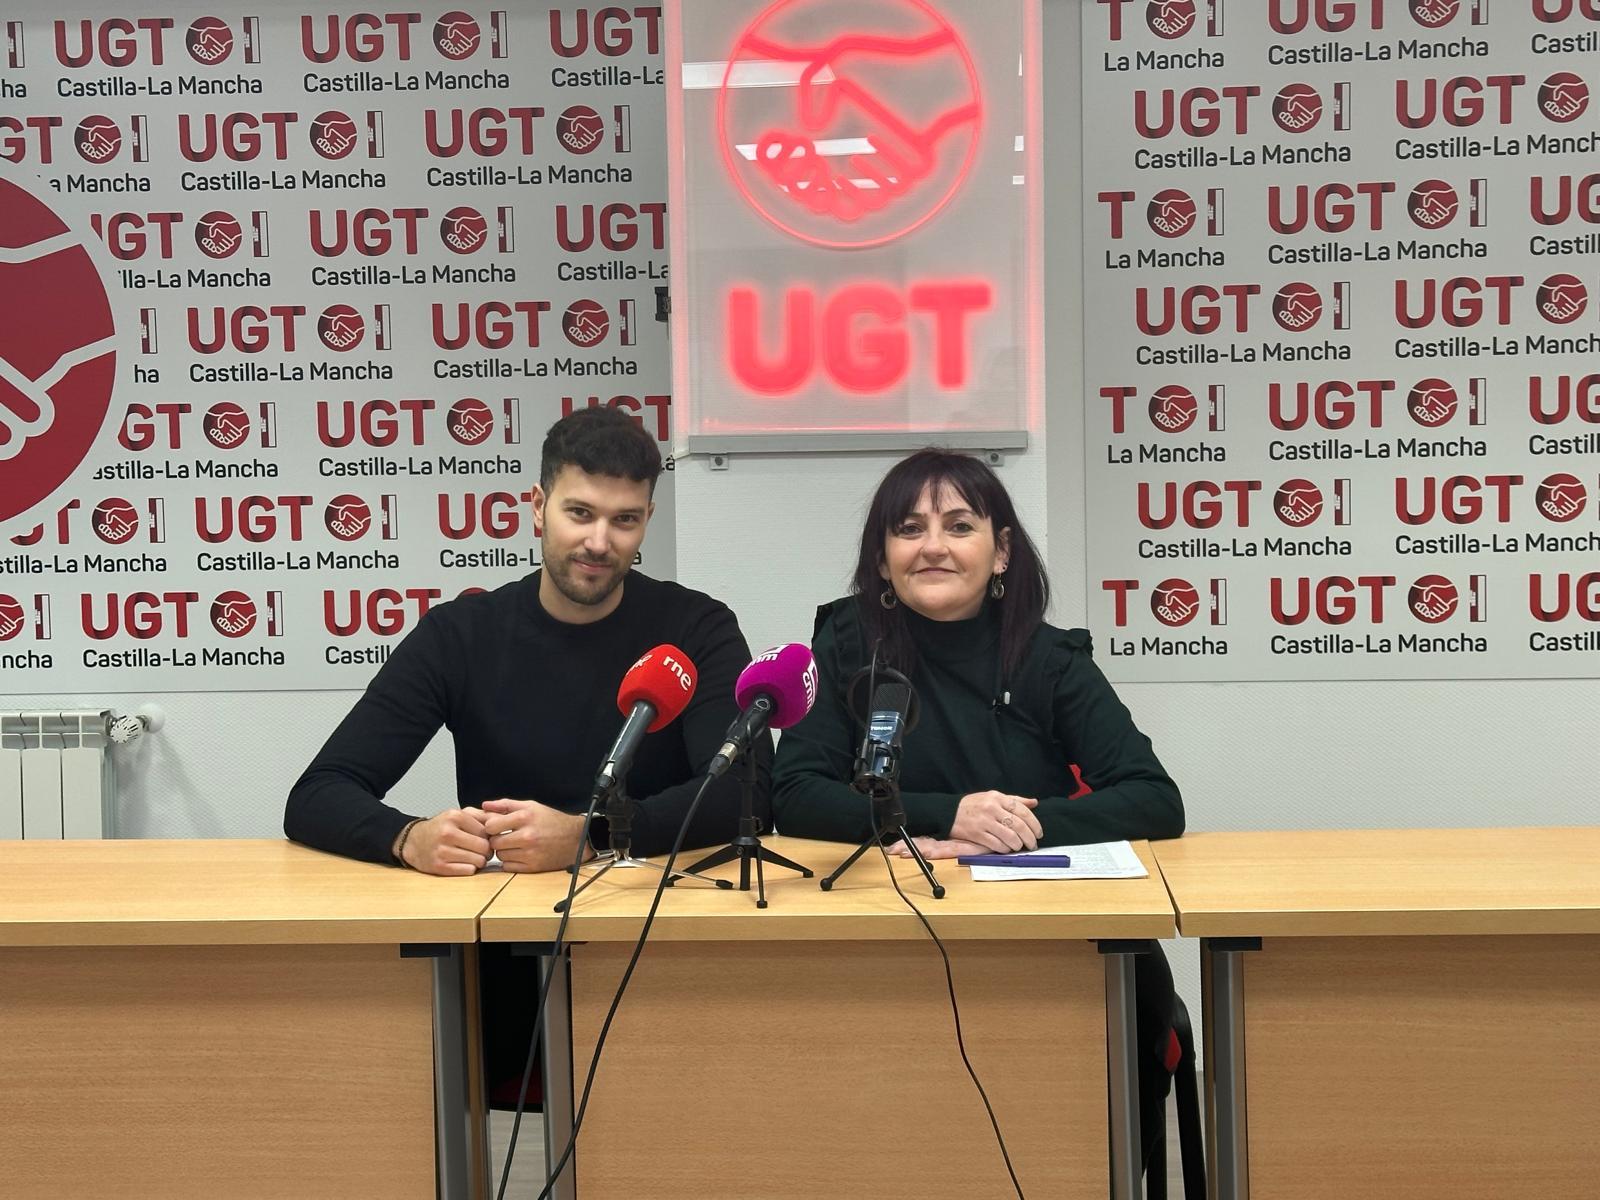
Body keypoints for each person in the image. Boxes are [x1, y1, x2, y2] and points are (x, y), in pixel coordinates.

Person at [286, 405, 771, 1103]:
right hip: (506, 960)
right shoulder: (461, 635)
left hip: (660, 946)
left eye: (624, 520)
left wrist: (591, 836)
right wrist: (407, 837)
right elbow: (319, 793)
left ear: (646, 521)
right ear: (538, 507)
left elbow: (745, 793)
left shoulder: (696, 627)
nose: (599, 541)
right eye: (580, 513)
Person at [771, 447, 1184, 1167]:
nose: (932, 546)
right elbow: (795, 795)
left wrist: (1011, 832)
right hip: (885, 941)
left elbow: (1155, 799)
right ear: (882, 560)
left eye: (959, 526)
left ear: (1001, 553)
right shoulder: (845, 647)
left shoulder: (1049, 659)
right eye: (909, 529)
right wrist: (946, 815)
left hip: (1051, 946)